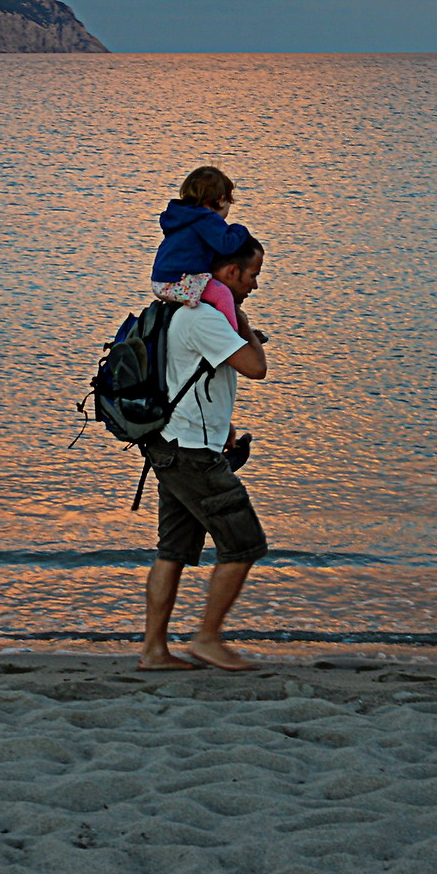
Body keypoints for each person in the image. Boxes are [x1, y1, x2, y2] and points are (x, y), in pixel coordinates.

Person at [138, 236, 270, 673]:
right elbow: (256, 368)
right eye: (252, 275)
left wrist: (222, 427)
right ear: (230, 272)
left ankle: (154, 652)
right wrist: (245, 326)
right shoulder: (206, 318)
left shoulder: (186, 312)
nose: (254, 284)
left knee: (173, 551)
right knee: (244, 542)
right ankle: (207, 638)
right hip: (192, 456)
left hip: (175, 446)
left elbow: (192, 379)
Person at [151, 167, 254, 324]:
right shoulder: (206, 218)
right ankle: (232, 335)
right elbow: (226, 245)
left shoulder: (182, 217)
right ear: (220, 199)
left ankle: (232, 322)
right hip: (176, 281)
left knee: (214, 287)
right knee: (222, 294)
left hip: (161, 280)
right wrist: (240, 230)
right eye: (228, 203)